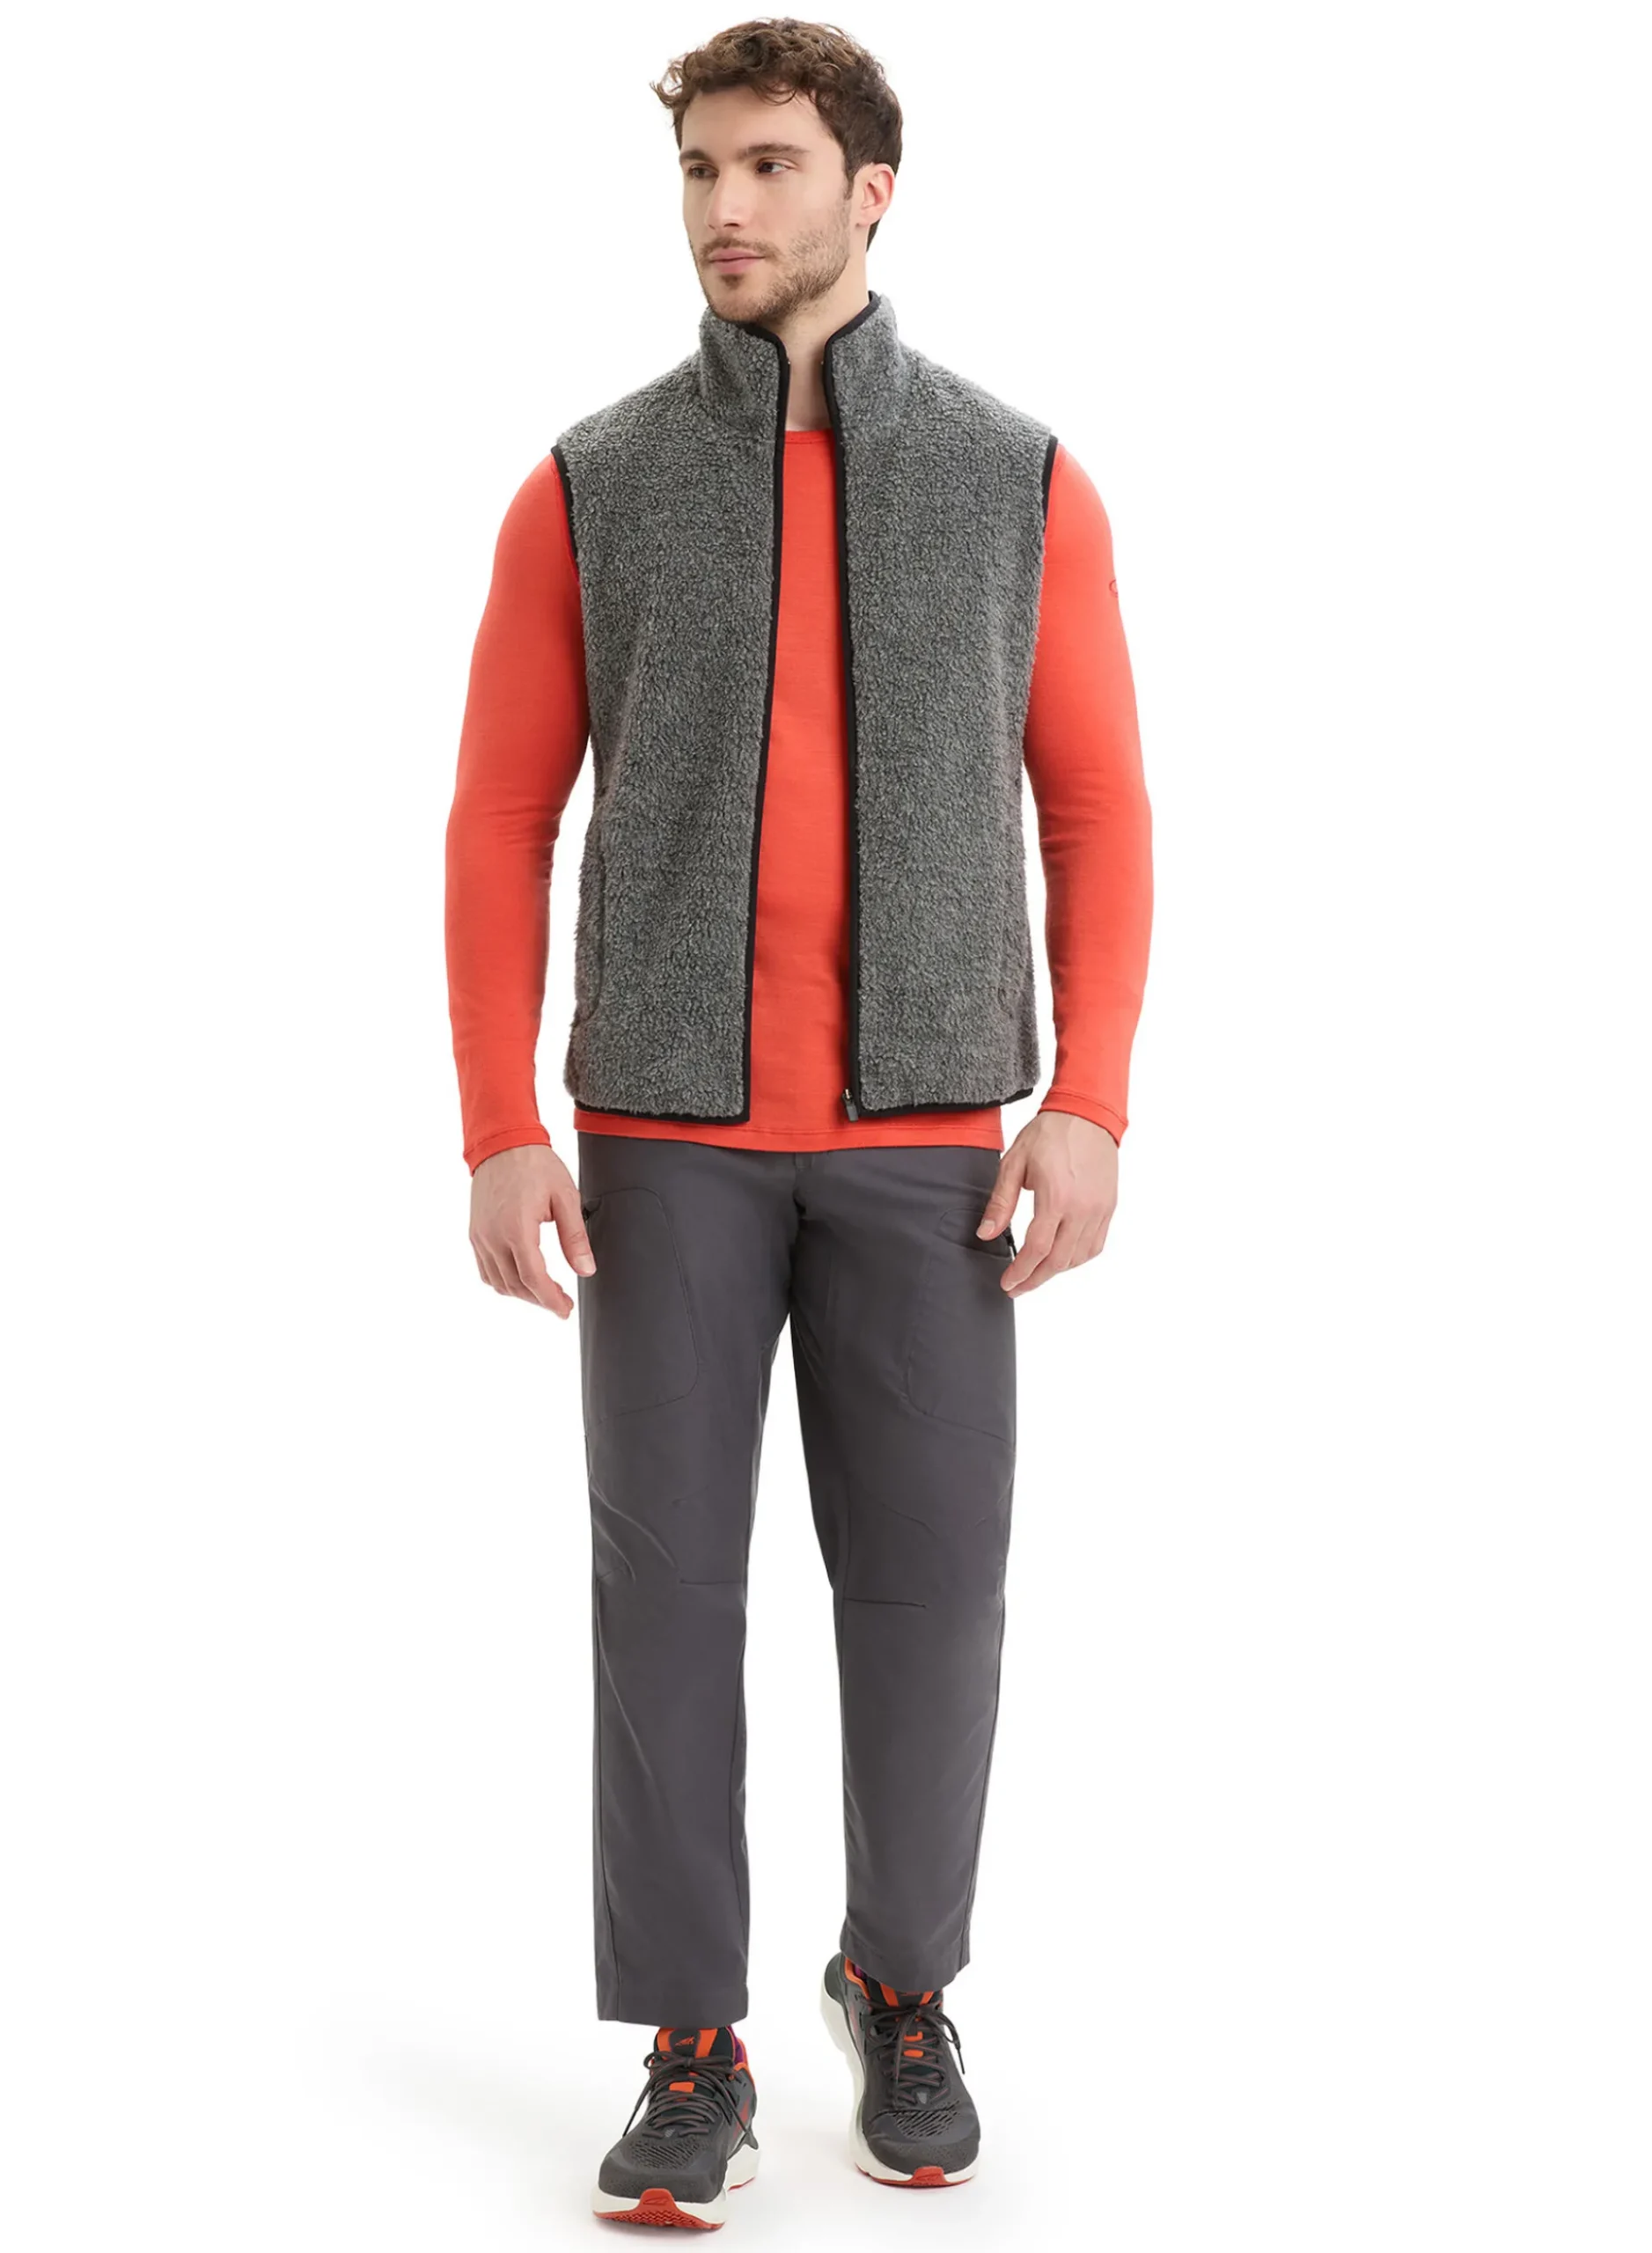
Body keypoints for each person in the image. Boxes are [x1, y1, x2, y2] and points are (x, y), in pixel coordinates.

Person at [444, 18, 1153, 2229]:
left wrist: (1090, 1095)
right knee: (663, 1602)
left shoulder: (1020, 480)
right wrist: (496, 1119)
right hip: (661, 1140)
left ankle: (898, 1981)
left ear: (872, 189)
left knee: (932, 1597)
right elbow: (496, 818)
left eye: (769, 165)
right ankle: (692, 2038)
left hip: (931, 1141)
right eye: (701, 171)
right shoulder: (590, 482)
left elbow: (1097, 806)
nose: (726, 208)